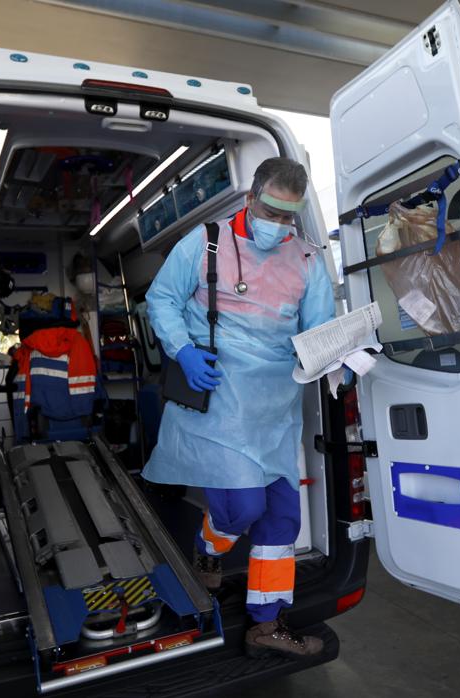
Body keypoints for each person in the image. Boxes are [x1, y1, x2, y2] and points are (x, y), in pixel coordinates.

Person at [143, 157, 335, 658]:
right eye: (271, 211)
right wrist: (182, 349)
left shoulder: (309, 260)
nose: (279, 225)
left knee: (281, 520)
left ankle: (267, 623)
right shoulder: (205, 243)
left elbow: (319, 333)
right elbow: (162, 299)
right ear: (250, 199)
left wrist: (342, 357)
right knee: (241, 508)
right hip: (219, 400)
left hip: (274, 408)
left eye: (289, 216)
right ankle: (208, 549)